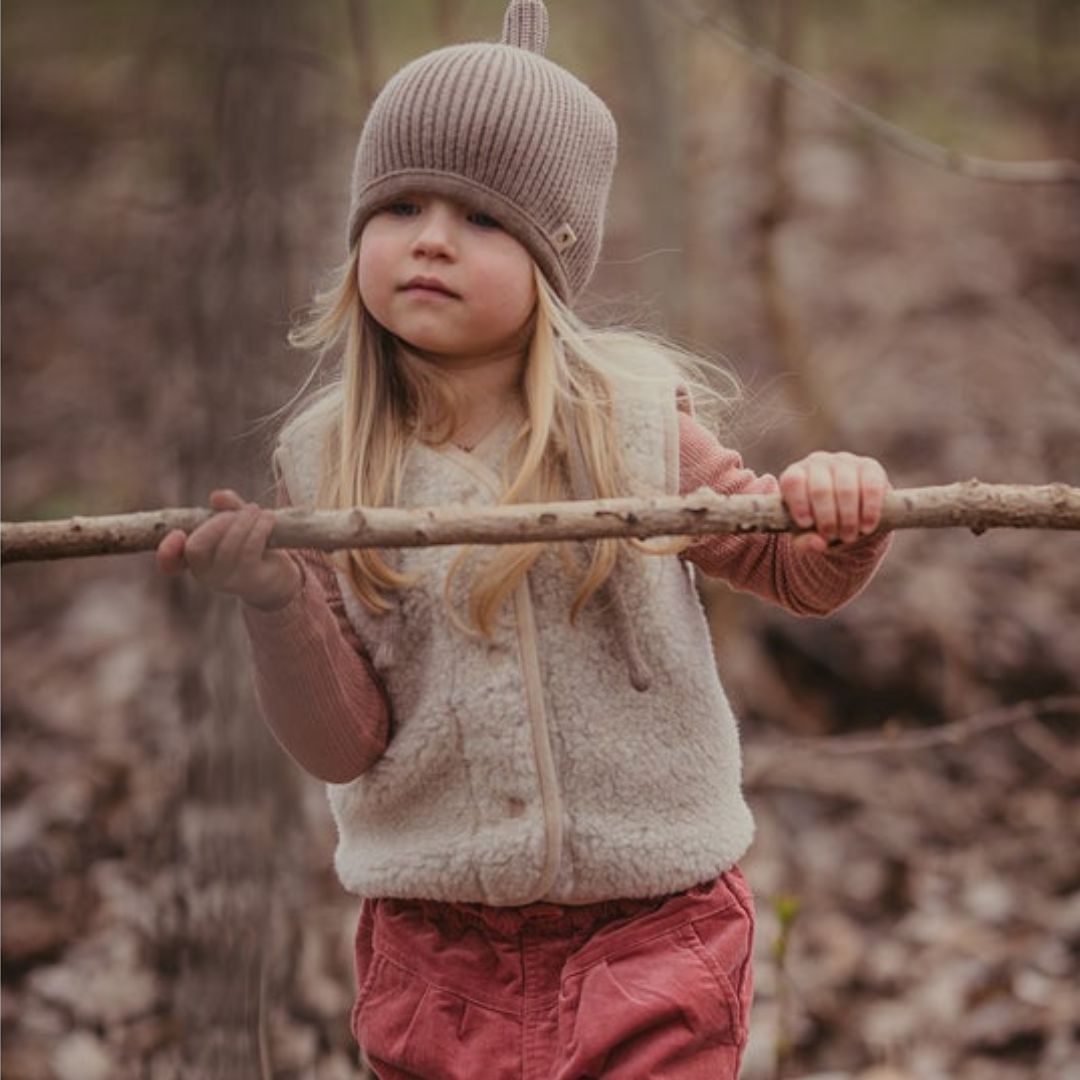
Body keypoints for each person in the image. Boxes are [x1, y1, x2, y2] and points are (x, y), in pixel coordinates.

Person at [156, 1, 891, 1076]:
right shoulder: (324, 468)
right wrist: (274, 602)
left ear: (554, 257)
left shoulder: (630, 425)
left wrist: (839, 506)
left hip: (655, 926)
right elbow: (342, 744)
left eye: (484, 218)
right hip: (432, 949)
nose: (433, 239)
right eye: (400, 204)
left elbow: (791, 566)